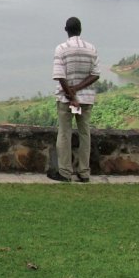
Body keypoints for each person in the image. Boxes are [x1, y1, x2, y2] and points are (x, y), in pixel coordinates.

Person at [48, 17, 100, 183]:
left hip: (66, 99)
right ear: (80, 29)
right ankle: (84, 172)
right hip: (86, 99)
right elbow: (95, 74)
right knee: (85, 134)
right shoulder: (91, 49)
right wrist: (77, 89)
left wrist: (71, 94)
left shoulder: (61, 49)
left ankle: (64, 172)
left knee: (64, 133)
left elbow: (60, 76)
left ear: (66, 30)